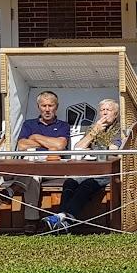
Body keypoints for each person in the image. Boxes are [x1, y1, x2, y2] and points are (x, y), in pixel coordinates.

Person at [43, 98, 123, 233]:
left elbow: (113, 151)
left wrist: (93, 150)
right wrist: (93, 132)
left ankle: (62, 218)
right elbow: (78, 148)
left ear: (116, 114)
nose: (104, 113)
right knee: (70, 182)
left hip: (109, 170)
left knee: (87, 185)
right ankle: (65, 222)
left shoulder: (119, 129)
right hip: (90, 168)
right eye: (102, 110)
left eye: (108, 110)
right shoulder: (94, 127)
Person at [0, 90, 70, 226]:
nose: (47, 109)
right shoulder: (29, 124)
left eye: (51, 106)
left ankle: (11, 192)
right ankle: (31, 221)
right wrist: (49, 143)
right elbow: (21, 145)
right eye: (44, 106)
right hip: (32, 163)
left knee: (33, 172)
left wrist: (35, 137)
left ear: (57, 107)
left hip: (52, 165)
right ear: (38, 107)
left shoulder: (63, 125)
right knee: (33, 177)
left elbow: (60, 145)